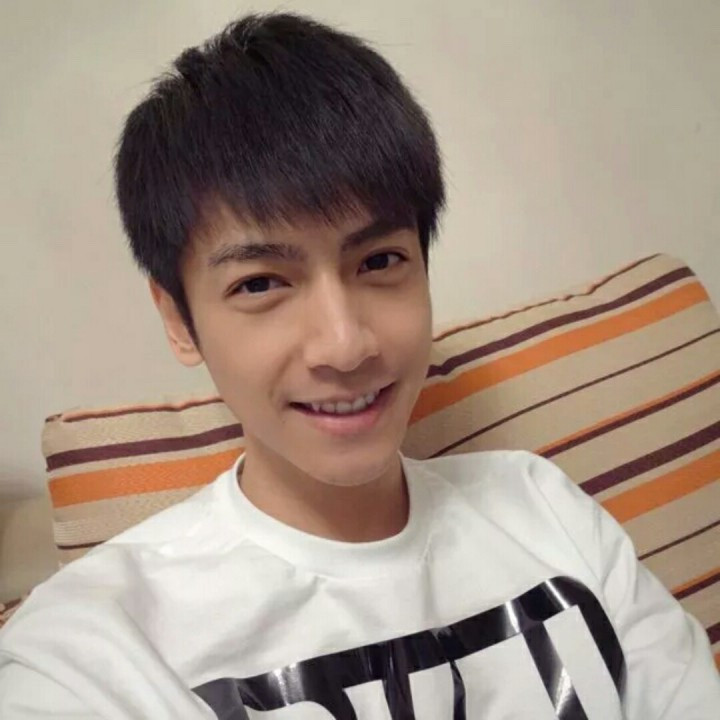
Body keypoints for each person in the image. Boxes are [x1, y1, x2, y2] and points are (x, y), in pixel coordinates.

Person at [0, 12, 717, 719]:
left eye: (379, 262)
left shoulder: (543, 506)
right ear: (179, 320)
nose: (345, 346)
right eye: (260, 283)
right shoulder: (96, 647)